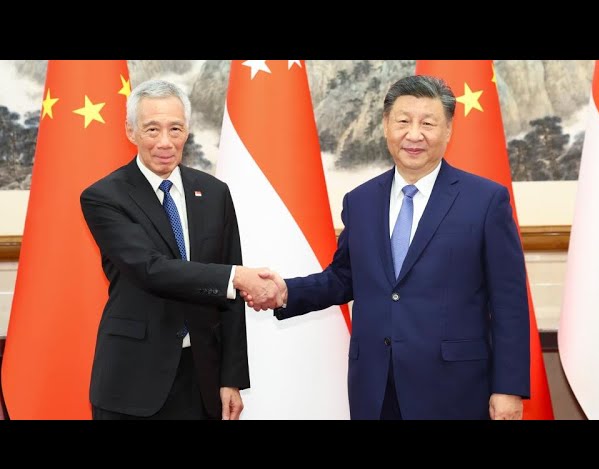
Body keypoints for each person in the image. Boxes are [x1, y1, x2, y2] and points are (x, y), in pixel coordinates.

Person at [245, 75, 530, 420]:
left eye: (428, 123)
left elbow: (509, 302)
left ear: (449, 130)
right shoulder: (361, 201)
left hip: (455, 389)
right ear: (385, 126)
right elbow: (344, 277)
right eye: (403, 121)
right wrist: (285, 291)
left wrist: (509, 387)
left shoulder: (485, 200)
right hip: (376, 387)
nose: (414, 134)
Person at [80, 79, 281, 420]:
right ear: (131, 131)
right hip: (133, 380)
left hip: (201, 378)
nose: (164, 142)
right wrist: (237, 277)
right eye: (152, 129)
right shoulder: (104, 197)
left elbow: (228, 299)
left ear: (188, 130)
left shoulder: (214, 193)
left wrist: (231, 378)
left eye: (175, 129)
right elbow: (150, 268)